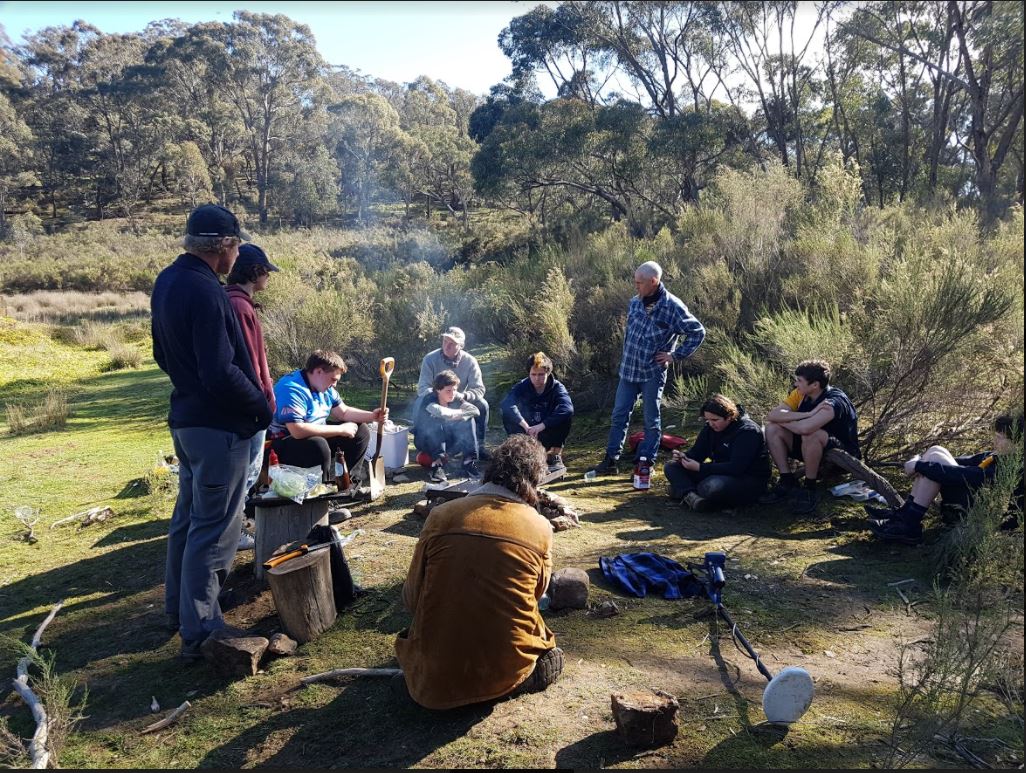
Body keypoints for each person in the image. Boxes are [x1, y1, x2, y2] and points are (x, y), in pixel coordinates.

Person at [151, 203, 272, 661]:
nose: (236, 254)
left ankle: (176, 610)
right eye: (235, 245)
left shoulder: (168, 281)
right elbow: (221, 372)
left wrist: (188, 387)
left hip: (186, 423)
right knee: (215, 529)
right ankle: (201, 627)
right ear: (223, 246)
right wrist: (259, 407)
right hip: (218, 428)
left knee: (187, 519)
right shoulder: (207, 292)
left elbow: (162, 352)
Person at [394, 434, 563, 709]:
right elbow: (536, 595)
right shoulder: (539, 526)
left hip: (428, 683)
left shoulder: (441, 515)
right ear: (535, 480)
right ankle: (511, 679)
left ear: (491, 470)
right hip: (501, 671)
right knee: (546, 646)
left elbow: (411, 596)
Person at [589, 261, 705, 477]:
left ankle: (646, 462)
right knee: (619, 415)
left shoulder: (673, 307)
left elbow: (697, 332)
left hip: (652, 372)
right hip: (628, 371)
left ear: (654, 281)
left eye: (639, 283)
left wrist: (674, 355)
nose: (636, 287)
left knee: (651, 419)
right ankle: (611, 460)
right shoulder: (635, 302)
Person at [867, 412, 1024, 544]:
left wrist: (919, 466)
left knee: (935, 466)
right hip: (971, 503)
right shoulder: (998, 455)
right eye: (995, 435)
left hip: (979, 520)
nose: (995, 441)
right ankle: (905, 515)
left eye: (1001, 437)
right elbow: (963, 462)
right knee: (936, 452)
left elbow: (965, 475)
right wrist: (922, 460)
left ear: (1018, 442)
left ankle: (909, 524)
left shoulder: (1013, 467)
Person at [226, 243, 279, 551]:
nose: (268, 278)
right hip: (250, 409)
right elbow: (249, 363)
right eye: (266, 272)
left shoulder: (238, 303)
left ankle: (234, 528)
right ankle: (233, 534)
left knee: (244, 475)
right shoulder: (239, 306)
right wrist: (262, 404)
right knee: (245, 475)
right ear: (256, 271)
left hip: (250, 407)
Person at [268, 350, 386, 486]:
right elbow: (297, 430)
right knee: (318, 445)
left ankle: (347, 484)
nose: (334, 385)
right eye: (333, 379)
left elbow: (344, 412)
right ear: (319, 371)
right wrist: (340, 429)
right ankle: (320, 493)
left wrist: (372, 416)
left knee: (360, 431)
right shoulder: (292, 388)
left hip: (311, 435)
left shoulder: (324, 387)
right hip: (281, 446)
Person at [760, 360, 860, 516]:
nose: (796, 384)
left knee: (811, 434)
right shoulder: (800, 394)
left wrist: (786, 420)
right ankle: (787, 481)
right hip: (808, 448)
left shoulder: (833, 401)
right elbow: (772, 416)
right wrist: (808, 414)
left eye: (799, 381)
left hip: (840, 456)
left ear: (815, 385)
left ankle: (809, 487)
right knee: (772, 428)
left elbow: (805, 428)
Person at [663, 394, 770, 511]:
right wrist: (684, 457)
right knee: (671, 466)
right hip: (717, 472)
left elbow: (737, 467)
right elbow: (697, 453)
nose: (711, 423)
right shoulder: (711, 427)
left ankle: (682, 489)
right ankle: (690, 495)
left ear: (729, 417)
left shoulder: (747, 432)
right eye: (707, 420)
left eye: (715, 420)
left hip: (746, 478)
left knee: (712, 486)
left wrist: (700, 468)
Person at [416, 326, 489, 456]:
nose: (446, 346)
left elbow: (479, 388)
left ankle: (478, 446)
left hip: (459, 399)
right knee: (419, 403)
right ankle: (428, 443)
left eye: (452, 343)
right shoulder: (430, 359)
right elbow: (422, 388)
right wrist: (440, 396)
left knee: (482, 405)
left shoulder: (470, 361)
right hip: (435, 398)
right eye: (445, 341)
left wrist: (463, 396)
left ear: (460, 345)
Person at [500, 351, 574, 471]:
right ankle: (520, 451)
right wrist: (524, 425)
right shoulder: (523, 385)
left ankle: (554, 456)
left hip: (546, 430)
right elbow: (507, 403)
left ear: (548, 373)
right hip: (527, 431)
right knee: (507, 414)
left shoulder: (557, 387)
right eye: (533, 374)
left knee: (565, 416)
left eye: (541, 374)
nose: (536, 378)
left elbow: (567, 408)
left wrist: (542, 426)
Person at [415, 370, 481, 483]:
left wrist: (461, 415)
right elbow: (441, 413)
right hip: (426, 441)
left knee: (469, 420)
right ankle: (437, 465)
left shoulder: (456, 398)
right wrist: (461, 413)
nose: (452, 393)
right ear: (438, 390)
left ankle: (468, 462)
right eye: (448, 390)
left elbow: (475, 410)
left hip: (448, 441)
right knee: (434, 421)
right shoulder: (429, 399)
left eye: (455, 390)